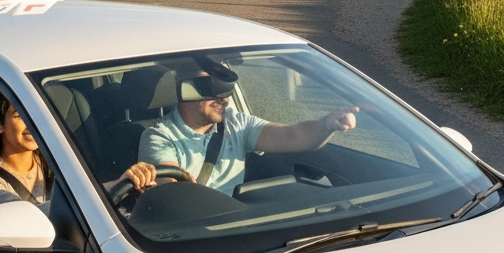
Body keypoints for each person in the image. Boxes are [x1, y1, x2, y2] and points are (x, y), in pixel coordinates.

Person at [138, 67, 359, 196]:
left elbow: (291, 136)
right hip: (192, 228)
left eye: (226, 91)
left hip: (235, 224)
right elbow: (175, 193)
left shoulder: (236, 123)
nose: (224, 100)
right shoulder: (159, 136)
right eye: (212, 90)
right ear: (186, 91)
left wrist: (326, 125)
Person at [0, 92, 157, 209]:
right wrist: (111, 189)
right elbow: (25, 219)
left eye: (35, 115)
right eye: (19, 116)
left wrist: (128, 185)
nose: (32, 124)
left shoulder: (55, 162)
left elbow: (84, 192)